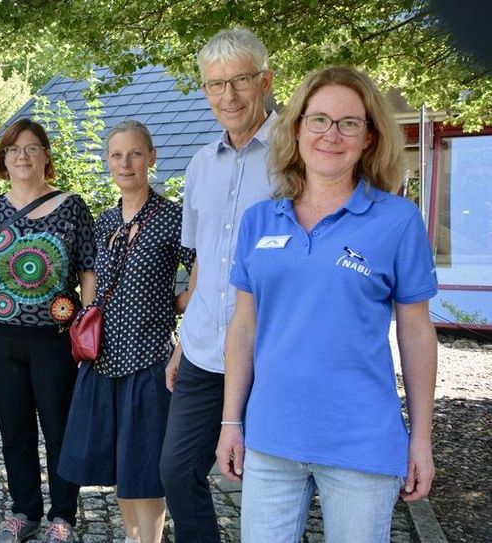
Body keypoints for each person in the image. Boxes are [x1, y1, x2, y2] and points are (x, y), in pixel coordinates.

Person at [216, 66, 438, 542]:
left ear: (369, 138)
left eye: (349, 123)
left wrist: (421, 438)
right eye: (318, 120)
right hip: (271, 437)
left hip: (361, 441)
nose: (331, 135)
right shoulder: (259, 221)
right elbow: (244, 327)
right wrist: (231, 421)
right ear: (297, 129)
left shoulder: (397, 221)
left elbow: (416, 332)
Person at [158, 27, 276, 542]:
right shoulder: (200, 164)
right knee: (178, 471)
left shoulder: (297, 158)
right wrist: (185, 340)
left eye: (240, 81)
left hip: (272, 348)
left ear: (265, 81)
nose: (228, 96)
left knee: (272, 483)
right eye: (215, 84)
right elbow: (202, 259)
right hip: (206, 350)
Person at [58, 120, 195, 543]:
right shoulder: (104, 222)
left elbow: (203, 276)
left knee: (146, 470)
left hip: (150, 357)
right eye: (116, 155)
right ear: (107, 162)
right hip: (104, 360)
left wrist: (174, 305)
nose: (126, 163)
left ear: (151, 158)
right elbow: (95, 288)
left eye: (135, 153)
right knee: (120, 467)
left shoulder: (174, 217)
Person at [0, 118, 96, 543]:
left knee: (59, 430)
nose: (22, 155)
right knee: (14, 432)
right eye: (14, 149)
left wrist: (88, 323)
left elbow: (89, 272)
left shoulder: (72, 207)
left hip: (56, 342)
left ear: (46, 156)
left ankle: (63, 517)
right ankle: (24, 511)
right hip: (0, 339)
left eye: (32, 147)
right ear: (3, 158)